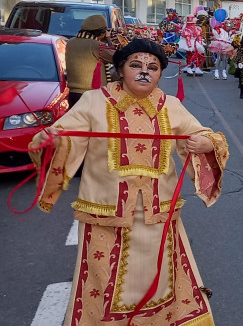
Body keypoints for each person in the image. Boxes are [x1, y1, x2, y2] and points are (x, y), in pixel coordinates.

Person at [30, 39, 229, 324]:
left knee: (161, 280)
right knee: (103, 282)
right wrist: (51, 141)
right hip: (105, 215)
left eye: (153, 67)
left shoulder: (170, 106)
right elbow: (64, 135)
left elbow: (207, 135)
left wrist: (206, 142)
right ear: (120, 70)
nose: (144, 72)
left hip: (157, 216)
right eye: (136, 65)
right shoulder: (93, 101)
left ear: (161, 74)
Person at [64, 14, 115, 106]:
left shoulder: (70, 42)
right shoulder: (96, 45)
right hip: (92, 94)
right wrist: (108, 39)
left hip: (73, 93)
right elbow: (115, 57)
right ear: (101, 33)